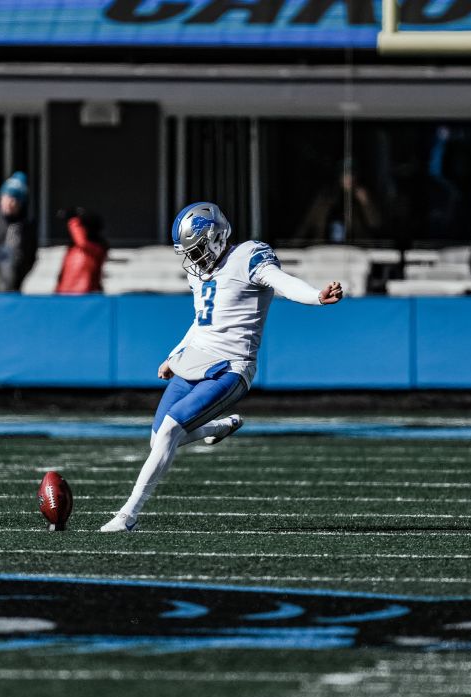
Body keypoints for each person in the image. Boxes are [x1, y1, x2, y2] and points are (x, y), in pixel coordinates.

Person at [99, 202, 345, 532]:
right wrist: (174, 355)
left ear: (216, 237)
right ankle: (216, 427)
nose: (196, 258)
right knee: (157, 439)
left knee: (170, 431)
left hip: (231, 366)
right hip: (195, 357)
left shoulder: (249, 257)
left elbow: (283, 282)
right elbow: (203, 322)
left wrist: (316, 295)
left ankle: (127, 515)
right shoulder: (198, 272)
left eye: (199, 248)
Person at [292, 161, 384, 243]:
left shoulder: (361, 197)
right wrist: (293, 246)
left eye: (352, 174)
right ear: (339, 176)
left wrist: (366, 203)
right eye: (345, 174)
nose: (349, 178)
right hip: (323, 250)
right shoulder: (324, 197)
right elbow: (307, 224)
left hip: (354, 251)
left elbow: (376, 224)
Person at [55, 210, 108, 295]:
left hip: (84, 295)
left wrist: (73, 221)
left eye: (81, 226)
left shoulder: (95, 248)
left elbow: (82, 242)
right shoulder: (74, 249)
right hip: (65, 294)